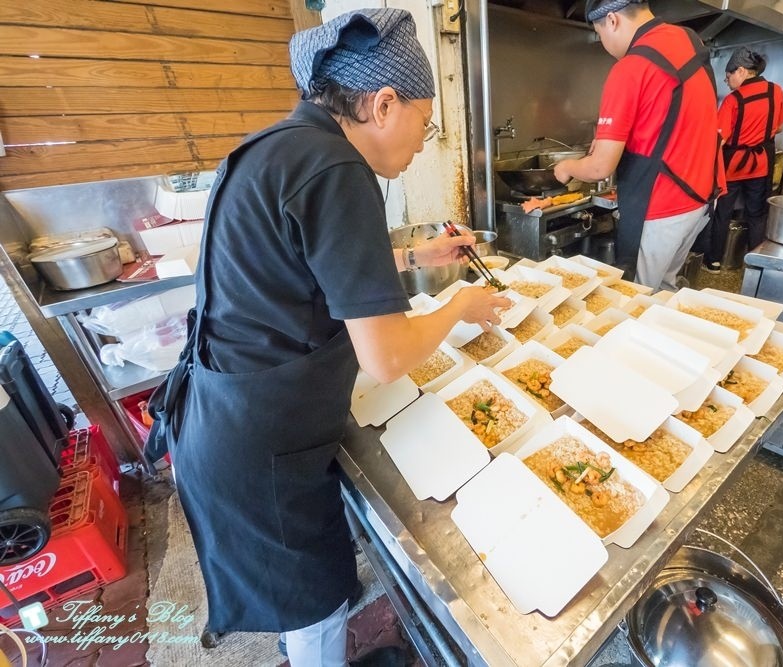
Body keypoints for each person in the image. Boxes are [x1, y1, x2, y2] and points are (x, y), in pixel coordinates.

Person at [152, 8, 510, 666]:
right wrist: (459, 302)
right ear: (383, 104)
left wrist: (417, 257)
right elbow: (388, 355)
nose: (422, 142)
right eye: (425, 124)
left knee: (299, 591)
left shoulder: (285, 146)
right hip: (260, 441)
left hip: (223, 415)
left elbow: (312, 266)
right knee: (311, 601)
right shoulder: (339, 169)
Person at [553, 0, 724, 290]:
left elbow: (599, 168)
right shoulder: (688, 40)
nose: (604, 44)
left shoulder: (630, 67)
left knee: (637, 295)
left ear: (612, 20)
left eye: (599, 34)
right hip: (700, 198)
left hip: (661, 206)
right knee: (665, 286)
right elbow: (670, 117)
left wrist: (567, 167)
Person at [699, 47, 783, 273]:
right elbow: (779, 127)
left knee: (723, 213)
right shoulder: (775, 91)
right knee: (757, 215)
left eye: (728, 78)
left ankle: (714, 262)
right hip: (761, 163)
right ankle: (755, 265)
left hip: (733, 165)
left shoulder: (733, 100)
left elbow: (719, 139)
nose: (728, 83)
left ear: (741, 71)